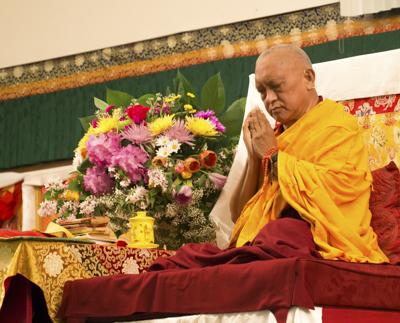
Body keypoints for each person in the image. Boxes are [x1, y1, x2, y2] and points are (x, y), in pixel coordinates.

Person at [229, 44, 387, 263]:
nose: (269, 99)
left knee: (280, 234)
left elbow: (336, 194)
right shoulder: (273, 137)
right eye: (262, 92)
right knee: (191, 256)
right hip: (270, 242)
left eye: (277, 86)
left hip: (316, 239)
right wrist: (256, 156)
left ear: (309, 78)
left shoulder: (336, 127)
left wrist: (274, 155)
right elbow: (238, 218)